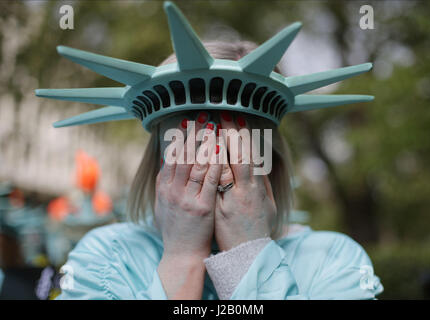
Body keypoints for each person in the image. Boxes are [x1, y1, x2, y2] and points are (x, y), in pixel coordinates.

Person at [35, 1, 383, 300]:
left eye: (237, 155)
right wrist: (181, 260)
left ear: (270, 164)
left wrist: (249, 255)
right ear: (158, 163)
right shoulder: (106, 256)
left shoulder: (333, 258)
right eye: (190, 151)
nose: (212, 171)